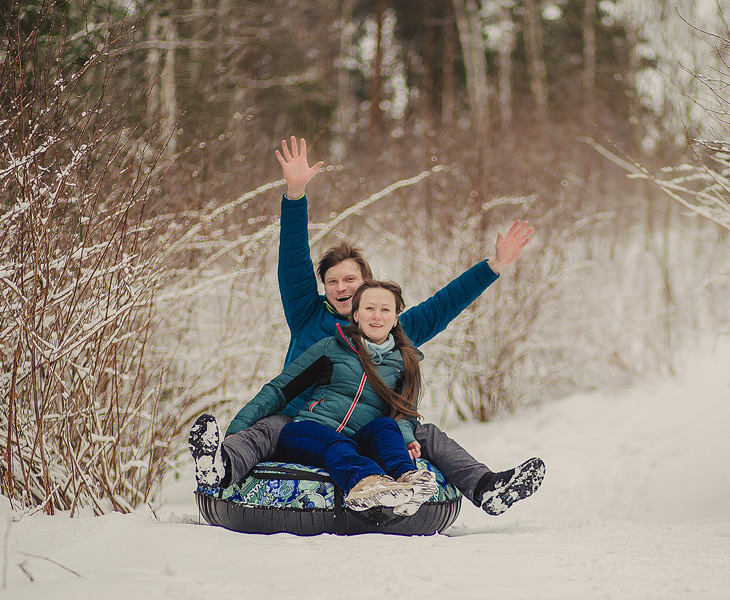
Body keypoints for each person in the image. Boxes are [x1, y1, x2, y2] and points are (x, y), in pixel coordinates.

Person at [190, 136, 544, 516]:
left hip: (366, 430)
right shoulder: (309, 317)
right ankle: (220, 467)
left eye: (351, 280)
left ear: (368, 288)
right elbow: (292, 264)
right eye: (333, 281)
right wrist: (295, 194)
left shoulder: (391, 330)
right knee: (267, 428)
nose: (342, 287)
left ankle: (485, 487)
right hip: (303, 421)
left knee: (423, 433)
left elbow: (443, 304)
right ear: (325, 288)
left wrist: (493, 265)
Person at [192, 281, 440, 516]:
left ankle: (409, 480)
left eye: (385, 309)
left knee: (385, 426)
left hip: (354, 442)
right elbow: (280, 389)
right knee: (332, 442)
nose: (377, 316)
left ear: (396, 318)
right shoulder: (331, 347)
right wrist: (239, 426)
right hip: (306, 434)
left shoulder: (404, 364)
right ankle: (366, 482)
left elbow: (404, 414)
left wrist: (406, 438)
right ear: (356, 314)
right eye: (369, 308)